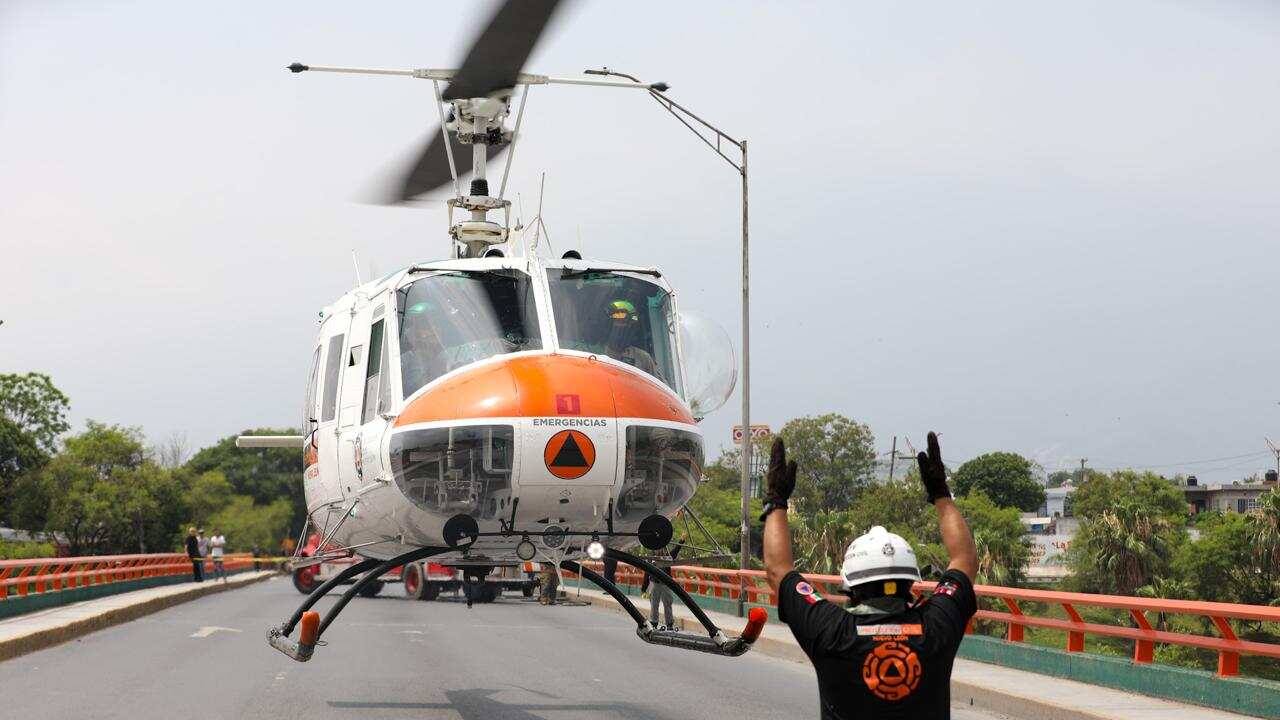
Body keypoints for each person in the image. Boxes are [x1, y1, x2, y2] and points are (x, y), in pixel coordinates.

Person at [761, 433, 979, 720]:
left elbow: (778, 569)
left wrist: (776, 500)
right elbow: (964, 560)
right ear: (910, 584)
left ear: (852, 587)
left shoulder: (831, 631)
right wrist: (940, 493)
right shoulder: (936, 628)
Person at [600, 299, 660, 378]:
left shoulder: (643, 358)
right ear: (609, 325)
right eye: (620, 321)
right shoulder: (592, 353)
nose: (624, 326)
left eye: (628, 323)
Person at [640, 542, 683, 629]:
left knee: (667, 604)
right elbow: (646, 573)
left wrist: (681, 542)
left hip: (665, 584)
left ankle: (669, 624)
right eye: (657, 549)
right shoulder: (651, 558)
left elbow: (674, 553)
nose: (658, 550)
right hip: (654, 583)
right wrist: (644, 588)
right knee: (654, 605)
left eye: (660, 549)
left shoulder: (667, 556)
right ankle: (654, 623)